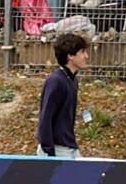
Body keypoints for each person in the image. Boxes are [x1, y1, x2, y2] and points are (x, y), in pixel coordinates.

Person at [38, 21, 92, 157]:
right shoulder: (56, 81)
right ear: (70, 56)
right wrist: (49, 152)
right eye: (82, 52)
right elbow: (46, 118)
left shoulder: (72, 80)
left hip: (68, 147)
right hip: (57, 150)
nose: (86, 56)